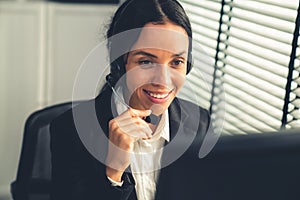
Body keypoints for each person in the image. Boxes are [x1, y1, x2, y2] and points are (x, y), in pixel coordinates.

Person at [50, 0, 212, 199]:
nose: (163, 81)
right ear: (119, 65)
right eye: (146, 61)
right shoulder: (71, 130)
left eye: (176, 62)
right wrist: (113, 173)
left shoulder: (201, 125)